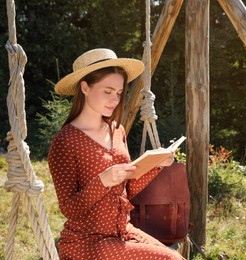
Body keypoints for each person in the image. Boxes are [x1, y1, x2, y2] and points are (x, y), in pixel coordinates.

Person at [48, 48, 185, 259]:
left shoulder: (117, 130)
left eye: (119, 93)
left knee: (176, 257)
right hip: (87, 241)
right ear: (85, 87)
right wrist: (102, 181)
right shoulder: (65, 141)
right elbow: (69, 208)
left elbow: (126, 190)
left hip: (123, 232)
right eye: (107, 91)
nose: (115, 99)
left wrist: (156, 164)